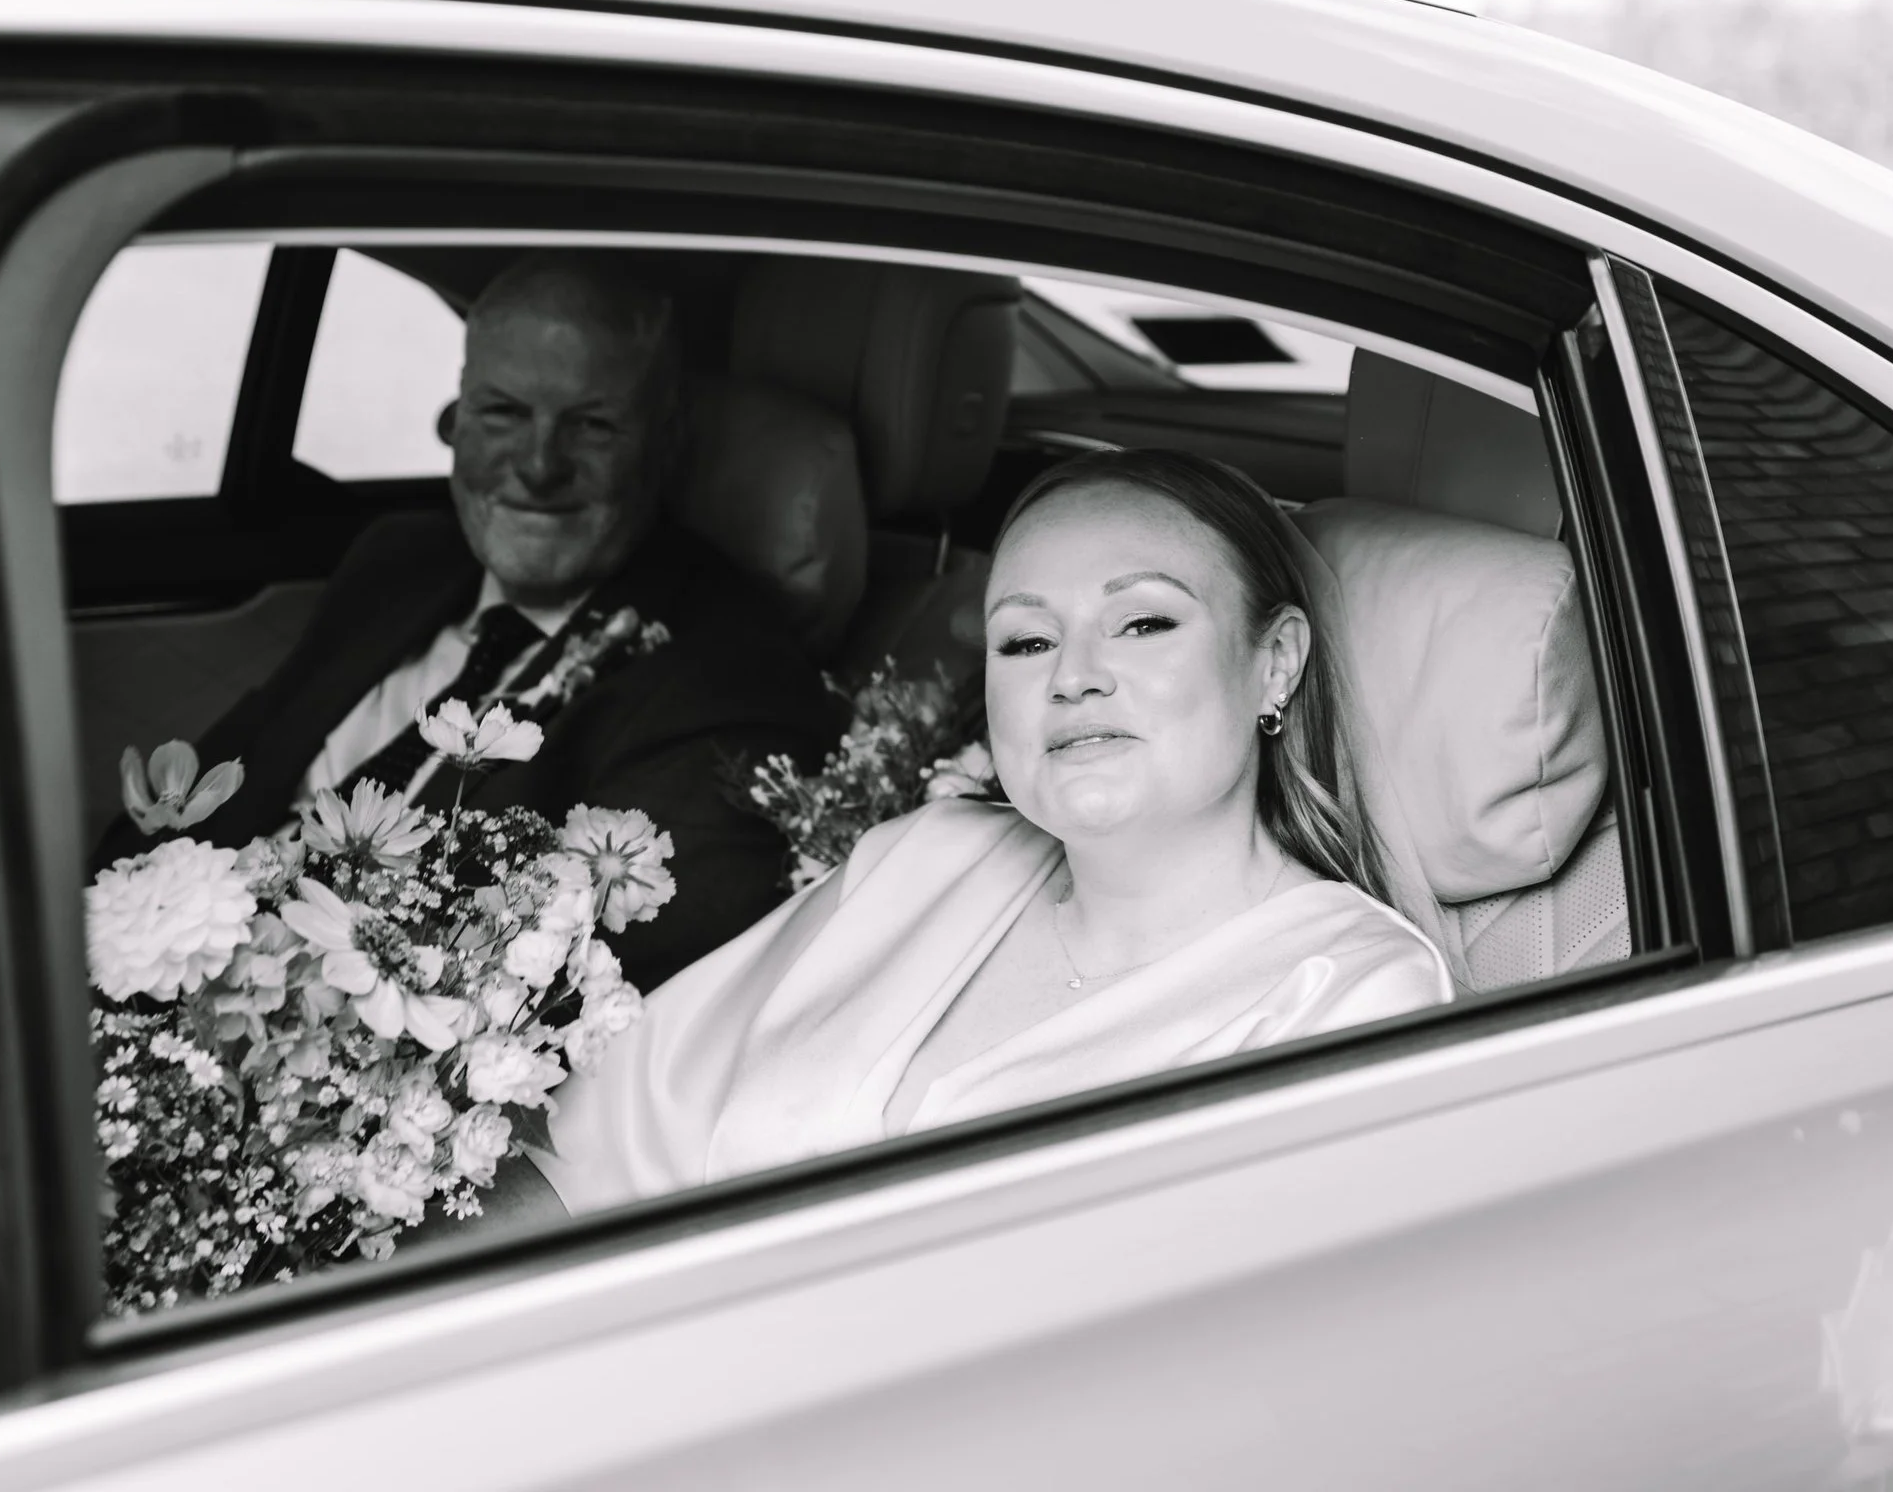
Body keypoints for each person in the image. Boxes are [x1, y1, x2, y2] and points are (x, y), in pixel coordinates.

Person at [519, 448, 1451, 1217]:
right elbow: (583, 1154)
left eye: (1142, 622)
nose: (1073, 677)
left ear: (1275, 663)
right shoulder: (921, 858)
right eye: (1026, 641)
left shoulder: (1348, 997)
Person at [99, 252, 842, 992]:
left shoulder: (730, 680)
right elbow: (210, 791)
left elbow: (598, 991)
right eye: (503, 412)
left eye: (592, 425)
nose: (539, 465)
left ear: (666, 439)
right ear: (454, 421)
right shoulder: (397, 560)